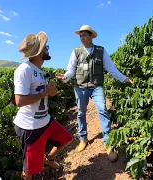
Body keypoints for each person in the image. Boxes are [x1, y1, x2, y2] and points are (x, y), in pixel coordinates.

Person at [56, 25, 133, 162]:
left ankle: (108, 143)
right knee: (81, 113)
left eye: (84, 35)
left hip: (97, 87)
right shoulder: (76, 52)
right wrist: (65, 77)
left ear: (91, 36)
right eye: (80, 36)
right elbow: (71, 70)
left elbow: (111, 68)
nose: (82, 38)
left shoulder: (101, 51)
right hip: (80, 87)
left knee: (103, 110)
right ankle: (83, 138)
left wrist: (125, 79)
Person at [14, 31, 73, 180]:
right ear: (40, 52)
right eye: (46, 47)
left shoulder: (39, 71)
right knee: (30, 170)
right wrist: (45, 93)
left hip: (45, 120)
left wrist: (50, 92)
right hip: (31, 127)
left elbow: (41, 93)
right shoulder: (24, 70)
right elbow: (19, 101)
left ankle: (49, 158)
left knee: (67, 139)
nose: (48, 49)